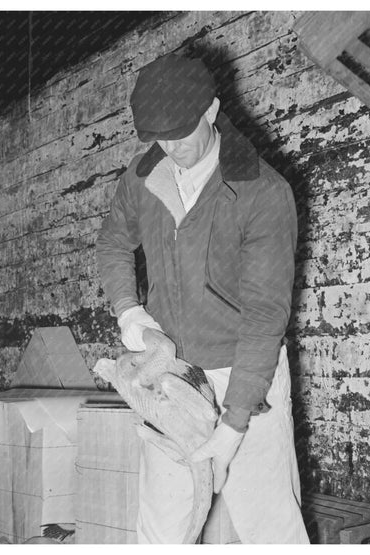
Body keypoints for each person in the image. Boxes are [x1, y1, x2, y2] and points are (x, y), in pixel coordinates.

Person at [96, 53, 309, 544]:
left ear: (211, 111)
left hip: (245, 374)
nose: (171, 149)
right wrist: (131, 315)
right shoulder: (141, 178)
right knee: (161, 530)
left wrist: (233, 428)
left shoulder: (262, 192)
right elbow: (112, 242)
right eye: (159, 138)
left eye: (181, 133)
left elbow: (263, 318)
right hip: (176, 379)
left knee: (270, 530)